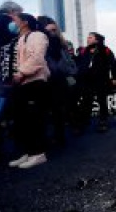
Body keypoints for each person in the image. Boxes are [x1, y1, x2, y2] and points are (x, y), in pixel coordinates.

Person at [8, 13, 50, 169]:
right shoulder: (19, 39)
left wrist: (21, 73)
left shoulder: (37, 36)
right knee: (22, 119)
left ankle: (38, 154)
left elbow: (38, 57)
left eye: (15, 20)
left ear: (25, 22)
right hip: (23, 83)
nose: (12, 23)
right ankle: (28, 152)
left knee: (34, 119)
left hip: (35, 82)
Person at [37, 16, 77, 145]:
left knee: (55, 109)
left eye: (54, 29)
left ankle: (58, 136)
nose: (53, 32)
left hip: (53, 78)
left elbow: (56, 60)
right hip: (59, 77)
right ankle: (61, 135)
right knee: (58, 108)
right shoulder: (59, 41)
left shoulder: (50, 40)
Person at [0, 1, 23, 120]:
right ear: (12, 12)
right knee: (0, 100)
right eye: (19, 14)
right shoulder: (10, 24)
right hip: (2, 69)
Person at [76, 32, 116, 133]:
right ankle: (82, 123)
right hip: (87, 80)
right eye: (87, 37)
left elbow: (113, 64)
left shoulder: (105, 50)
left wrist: (114, 77)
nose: (88, 39)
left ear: (97, 40)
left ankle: (103, 122)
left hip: (101, 80)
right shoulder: (84, 51)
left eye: (90, 37)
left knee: (102, 101)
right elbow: (80, 64)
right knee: (86, 101)